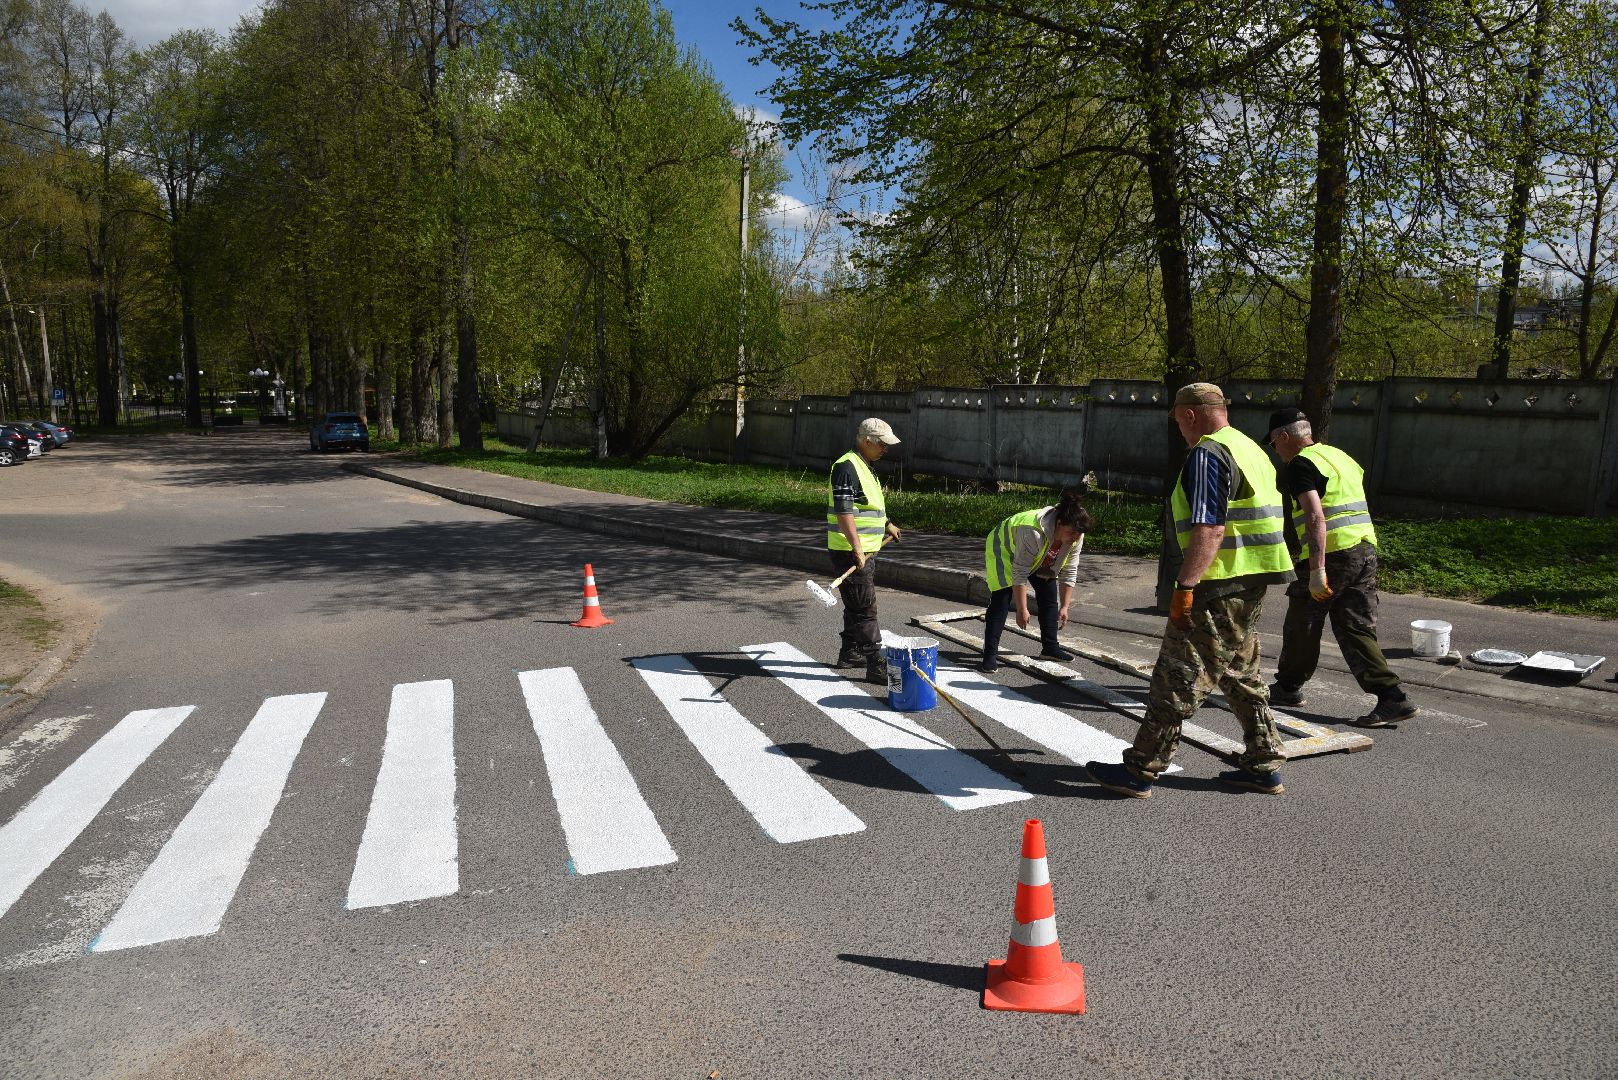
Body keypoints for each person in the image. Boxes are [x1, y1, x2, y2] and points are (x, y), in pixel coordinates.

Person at [1085, 382, 1296, 798]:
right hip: (1251, 580)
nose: (1179, 428)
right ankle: (1263, 762)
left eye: (1178, 419)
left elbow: (1209, 526)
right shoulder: (1250, 448)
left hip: (1215, 584)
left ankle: (1142, 768)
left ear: (1191, 414)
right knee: (1241, 673)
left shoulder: (1207, 453)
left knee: (1176, 677)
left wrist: (1186, 585)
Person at [1264, 407, 1417, 727]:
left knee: (1302, 621)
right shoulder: (1341, 457)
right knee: (1354, 626)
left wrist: (1317, 571)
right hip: (1364, 549)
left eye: (1274, 444)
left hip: (1333, 555)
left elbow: (1315, 517)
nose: (1275, 451)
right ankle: (1392, 697)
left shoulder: (1300, 465)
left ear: (1284, 437)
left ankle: (1288, 688)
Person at [980, 492, 1095, 671]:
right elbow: (1020, 572)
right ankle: (989, 655)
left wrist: (1065, 607)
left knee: (1049, 596)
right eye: (1071, 532)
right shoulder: (1033, 531)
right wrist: (1022, 609)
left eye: (1078, 535)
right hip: (1003, 548)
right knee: (1002, 598)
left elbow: (1069, 571)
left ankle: (1050, 648)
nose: (1075, 537)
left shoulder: (1076, 535)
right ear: (1059, 523)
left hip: (1038, 554)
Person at [828, 417, 904, 682]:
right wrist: (857, 548)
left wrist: (887, 524)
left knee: (855, 603)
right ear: (867, 441)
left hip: (865, 550)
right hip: (850, 551)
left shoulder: (864, 466)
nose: (886, 449)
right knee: (865, 607)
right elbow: (844, 511)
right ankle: (875, 662)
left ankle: (850, 653)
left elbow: (866, 505)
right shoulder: (846, 467)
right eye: (882, 444)